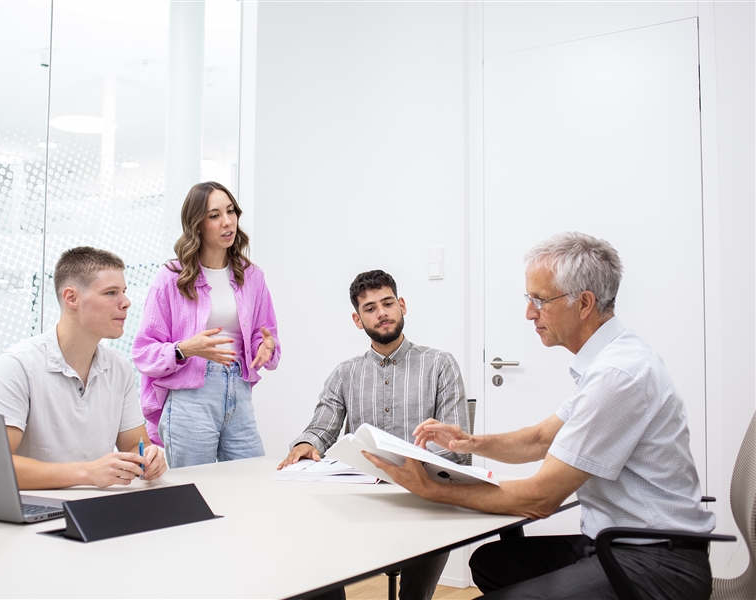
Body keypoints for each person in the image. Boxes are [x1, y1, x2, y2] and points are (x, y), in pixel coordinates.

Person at [363, 232, 717, 600]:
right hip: (620, 543)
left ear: (584, 303)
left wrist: (431, 490)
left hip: (657, 565)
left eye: (540, 300)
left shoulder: (618, 375)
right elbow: (541, 439)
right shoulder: (607, 361)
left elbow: (540, 498)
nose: (530, 312)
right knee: (491, 562)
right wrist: (468, 442)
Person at [278, 269, 468, 600]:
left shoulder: (440, 365)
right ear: (357, 319)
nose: (381, 313)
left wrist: (414, 472)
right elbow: (322, 426)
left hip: (423, 497)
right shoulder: (345, 372)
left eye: (387, 303)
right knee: (312, 569)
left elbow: (458, 451)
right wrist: (307, 444)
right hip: (363, 496)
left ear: (402, 305)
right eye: (370, 308)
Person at [0, 246, 167, 489]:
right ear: (71, 298)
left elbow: (134, 444)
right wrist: (88, 473)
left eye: (124, 292)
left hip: (96, 507)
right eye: (111, 293)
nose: (126, 303)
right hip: (35, 511)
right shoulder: (16, 366)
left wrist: (151, 458)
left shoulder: (119, 368)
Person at [133, 181, 280, 468]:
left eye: (231, 211)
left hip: (238, 391)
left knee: (252, 484)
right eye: (214, 215)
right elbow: (143, 351)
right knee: (193, 489)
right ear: (197, 224)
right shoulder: (171, 276)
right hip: (190, 399)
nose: (227, 222)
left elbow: (263, 335)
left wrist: (264, 346)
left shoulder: (252, 277)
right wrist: (186, 349)